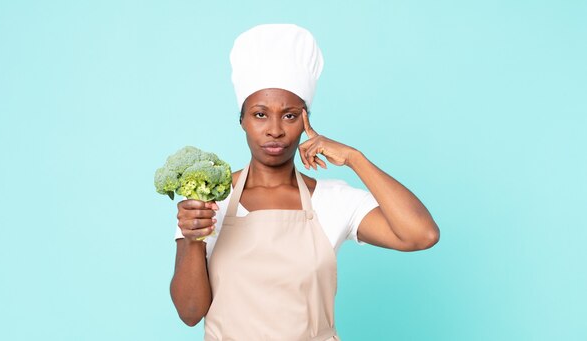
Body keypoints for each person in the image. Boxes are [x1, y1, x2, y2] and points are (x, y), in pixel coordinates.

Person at [170, 24, 440, 340]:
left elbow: (422, 234)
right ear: (241, 120)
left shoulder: (333, 200)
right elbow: (190, 313)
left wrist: (355, 158)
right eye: (259, 114)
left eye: (289, 115)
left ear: (305, 121)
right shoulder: (208, 201)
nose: (274, 129)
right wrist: (192, 238)